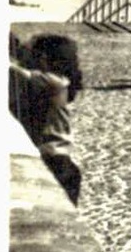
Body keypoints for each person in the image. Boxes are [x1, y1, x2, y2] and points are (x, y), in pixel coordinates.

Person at [9, 33, 83, 204]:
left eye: (28, 52)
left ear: (43, 58)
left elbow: (14, 71)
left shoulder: (53, 83)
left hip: (56, 163)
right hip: (61, 163)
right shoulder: (50, 82)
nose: (22, 56)